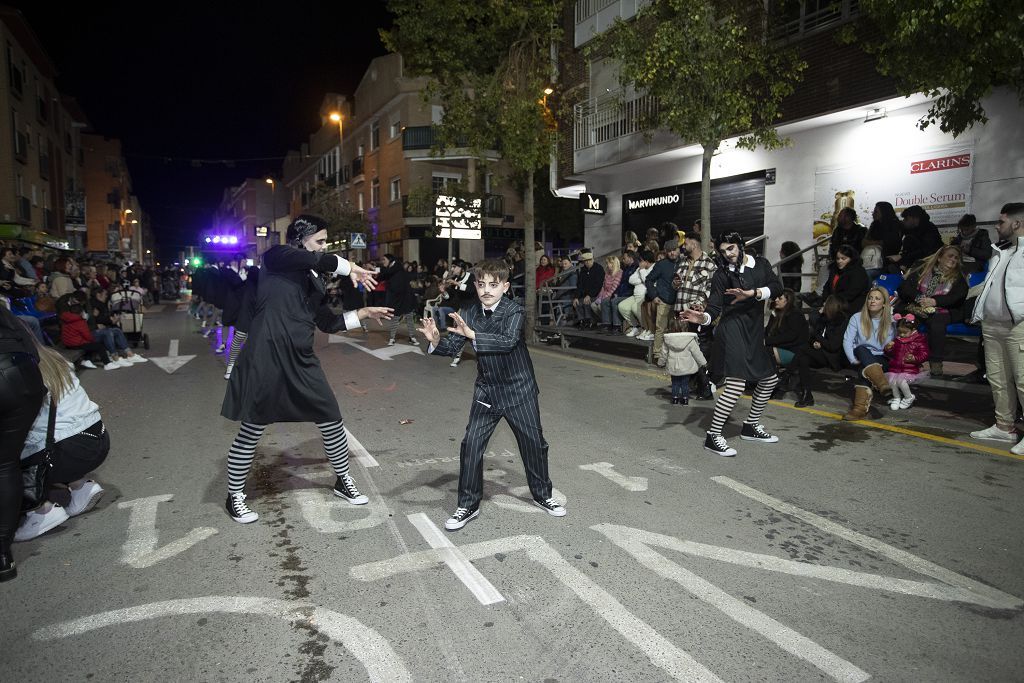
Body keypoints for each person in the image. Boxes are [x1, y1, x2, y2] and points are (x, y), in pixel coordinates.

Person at [220, 215, 392, 524]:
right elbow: (316, 258)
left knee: (331, 418)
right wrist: (350, 267)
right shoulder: (276, 257)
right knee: (252, 428)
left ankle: (343, 481)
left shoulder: (315, 280)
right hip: (266, 354)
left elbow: (327, 322)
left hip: (301, 356)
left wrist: (362, 313)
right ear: (301, 239)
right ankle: (234, 496)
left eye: (326, 242)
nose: (325, 247)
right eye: (321, 240)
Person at [417, 259, 565, 531]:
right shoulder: (469, 311)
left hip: (519, 389)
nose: (487, 290)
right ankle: (468, 505)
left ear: (505, 286)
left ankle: (544, 496)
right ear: (475, 285)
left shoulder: (514, 311)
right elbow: (453, 347)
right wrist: (435, 340)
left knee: (534, 444)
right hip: (487, 390)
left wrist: (472, 334)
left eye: (493, 285)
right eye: (482, 284)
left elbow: (507, 341)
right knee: (471, 445)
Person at [680, 232, 783, 457]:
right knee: (736, 384)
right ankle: (713, 436)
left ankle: (750, 425)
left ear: (741, 245)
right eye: (723, 251)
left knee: (770, 379)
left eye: (732, 248)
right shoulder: (721, 275)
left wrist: (753, 293)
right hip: (732, 329)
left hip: (754, 331)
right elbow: (715, 307)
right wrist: (703, 318)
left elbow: (777, 287)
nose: (728, 254)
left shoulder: (761, 265)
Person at [14, 340, 109, 542]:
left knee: (10, 455)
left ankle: (41, 511)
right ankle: (80, 486)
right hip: (98, 437)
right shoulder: (53, 357)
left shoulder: (16, 368)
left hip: (66, 451)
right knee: (53, 431)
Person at [967, 202, 1024, 454]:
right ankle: (1004, 426)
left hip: (1018, 326)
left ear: (1017, 223)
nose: (996, 226)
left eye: (1001, 222)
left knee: (1023, 381)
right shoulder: (1001, 251)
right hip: (993, 324)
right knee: (998, 379)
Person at [0, 305, 47, 581]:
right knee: (5, 463)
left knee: (4, 463)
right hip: (23, 374)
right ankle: (2, 553)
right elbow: (32, 347)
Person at [896, 245, 968, 376]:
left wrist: (935, 301)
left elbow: (958, 297)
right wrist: (919, 298)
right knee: (908, 321)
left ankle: (935, 362)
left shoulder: (958, 277)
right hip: (918, 304)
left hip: (942, 309)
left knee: (937, 324)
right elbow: (905, 287)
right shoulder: (922, 269)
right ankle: (905, 356)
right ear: (939, 258)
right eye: (950, 256)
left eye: (956, 258)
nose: (953, 259)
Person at [672, 233, 717, 399]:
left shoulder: (710, 264)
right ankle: (693, 385)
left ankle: (705, 387)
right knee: (686, 352)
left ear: (694, 243)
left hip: (696, 315)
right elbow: (677, 285)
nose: (683, 246)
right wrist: (675, 284)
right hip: (680, 312)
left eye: (686, 243)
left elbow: (710, 290)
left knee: (696, 352)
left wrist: (698, 306)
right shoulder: (682, 261)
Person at [841, 286, 896, 420]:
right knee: (861, 349)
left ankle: (859, 409)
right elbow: (847, 341)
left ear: (884, 303)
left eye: (877, 298)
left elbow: (890, 347)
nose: (872, 301)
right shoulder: (857, 317)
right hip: (861, 356)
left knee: (863, 369)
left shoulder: (891, 321)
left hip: (882, 358)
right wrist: (853, 360)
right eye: (870, 298)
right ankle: (881, 384)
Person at [764, 289, 809, 399]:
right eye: (776, 298)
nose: (776, 300)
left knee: (766, 351)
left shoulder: (795, 315)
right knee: (759, 348)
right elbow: (768, 333)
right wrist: (773, 316)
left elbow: (790, 337)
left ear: (787, 301)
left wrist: (767, 342)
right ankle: (768, 384)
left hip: (794, 352)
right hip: (782, 348)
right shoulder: (778, 313)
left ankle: (775, 385)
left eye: (780, 299)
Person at [645, 238, 682, 367]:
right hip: (664, 301)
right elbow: (648, 280)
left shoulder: (684, 263)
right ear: (666, 252)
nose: (672, 253)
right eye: (669, 251)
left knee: (676, 329)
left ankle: (673, 355)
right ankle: (657, 355)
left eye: (674, 250)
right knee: (661, 329)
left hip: (679, 301)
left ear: (679, 250)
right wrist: (654, 295)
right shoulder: (661, 264)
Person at [883, 313, 929, 411]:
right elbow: (891, 354)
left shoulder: (919, 340)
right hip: (895, 367)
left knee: (901, 381)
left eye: (905, 332)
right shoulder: (897, 340)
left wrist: (914, 358)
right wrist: (888, 349)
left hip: (909, 369)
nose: (902, 335)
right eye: (900, 332)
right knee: (892, 382)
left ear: (913, 330)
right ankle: (896, 398)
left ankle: (908, 397)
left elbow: (925, 354)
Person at [381, 253, 418, 346]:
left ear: (390, 260)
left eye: (384, 260)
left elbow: (386, 272)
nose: (383, 262)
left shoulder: (396, 266)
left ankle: (412, 337)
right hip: (397, 298)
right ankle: (392, 338)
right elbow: (384, 275)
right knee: (395, 317)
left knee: (409, 317)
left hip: (405, 297)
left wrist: (377, 270)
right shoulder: (391, 269)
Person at [821, 245, 870, 316]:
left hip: (849, 307)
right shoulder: (834, 270)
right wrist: (826, 301)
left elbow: (852, 292)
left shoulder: (858, 272)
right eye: (838, 258)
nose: (839, 261)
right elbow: (827, 286)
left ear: (851, 259)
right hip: (833, 305)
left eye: (843, 259)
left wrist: (833, 303)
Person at [895, 205, 943, 272]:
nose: (904, 221)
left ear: (915, 218)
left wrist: (902, 256)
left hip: (929, 262)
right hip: (917, 261)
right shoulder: (912, 230)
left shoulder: (929, 229)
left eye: (906, 219)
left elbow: (927, 250)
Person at [663, 331, 706, 405]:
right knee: (685, 384)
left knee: (675, 383)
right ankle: (685, 399)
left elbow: (664, 353)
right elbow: (697, 353)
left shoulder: (668, 339)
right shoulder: (690, 340)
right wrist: (703, 363)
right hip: (686, 367)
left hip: (673, 366)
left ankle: (675, 399)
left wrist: (661, 362)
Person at [620, 250, 654, 338]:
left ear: (646, 261)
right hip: (635, 295)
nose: (639, 263)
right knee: (622, 306)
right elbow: (631, 280)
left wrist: (642, 272)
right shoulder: (639, 268)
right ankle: (636, 326)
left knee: (635, 308)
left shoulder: (653, 268)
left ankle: (647, 328)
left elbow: (647, 282)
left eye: (641, 261)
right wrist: (641, 279)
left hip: (644, 296)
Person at [865, 202, 903, 278]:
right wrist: (878, 243)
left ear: (884, 212)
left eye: (876, 212)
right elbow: (864, 242)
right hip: (872, 261)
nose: (873, 214)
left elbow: (890, 242)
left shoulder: (895, 225)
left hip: (889, 262)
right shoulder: (874, 225)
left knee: (868, 274)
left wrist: (873, 243)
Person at [573, 249, 605, 329]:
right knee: (577, 303)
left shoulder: (599, 269)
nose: (587, 262)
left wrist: (589, 295)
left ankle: (591, 322)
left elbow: (598, 285)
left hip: (596, 294)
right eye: (585, 261)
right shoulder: (583, 270)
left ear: (593, 259)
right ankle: (582, 321)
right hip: (585, 295)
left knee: (586, 302)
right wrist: (576, 297)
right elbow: (579, 285)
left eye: (589, 260)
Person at [591, 255, 622, 333]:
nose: (607, 265)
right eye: (607, 263)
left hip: (613, 294)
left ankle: (608, 323)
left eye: (609, 263)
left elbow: (614, 288)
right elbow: (603, 287)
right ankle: (606, 321)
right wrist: (600, 297)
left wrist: (604, 298)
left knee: (603, 303)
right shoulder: (607, 273)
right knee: (594, 305)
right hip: (605, 294)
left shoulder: (619, 272)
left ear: (613, 263)